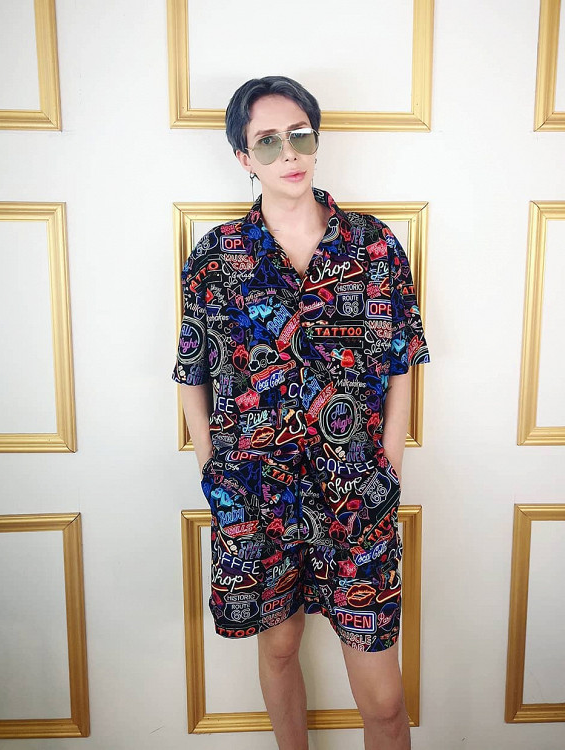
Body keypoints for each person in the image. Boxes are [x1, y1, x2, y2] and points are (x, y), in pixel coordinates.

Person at [172, 75, 430, 750]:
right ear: (244, 157)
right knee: (280, 646)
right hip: (255, 494)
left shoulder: (375, 247)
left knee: (384, 699)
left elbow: (402, 364)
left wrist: (388, 467)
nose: (288, 153)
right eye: (267, 141)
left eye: (300, 135)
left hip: (356, 496)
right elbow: (192, 371)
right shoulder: (216, 257)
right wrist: (214, 473)